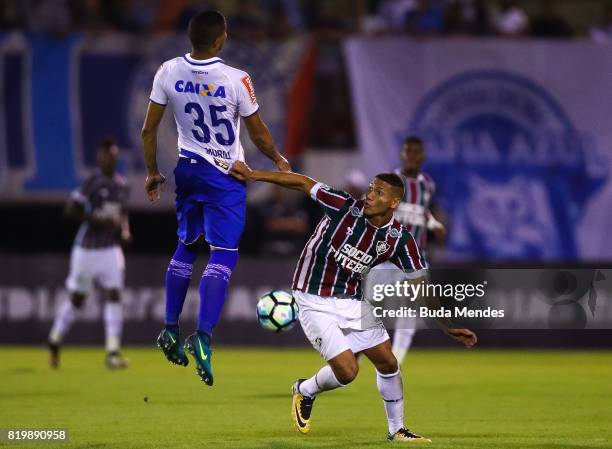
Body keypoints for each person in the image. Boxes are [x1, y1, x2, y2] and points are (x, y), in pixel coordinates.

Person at [230, 161, 477, 443]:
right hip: (312, 297)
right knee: (348, 372)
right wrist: (253, 175)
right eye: (371, 188)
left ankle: (396, 430)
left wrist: (447, 326)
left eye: (379, 192)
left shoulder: (399, 240)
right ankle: (306, 389)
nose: (370, 194)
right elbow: (302, 182)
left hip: (352, 300)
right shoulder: (343, 206)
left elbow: (419, 285)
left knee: (388, 362)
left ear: (394, 202)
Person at [141, 10, 290, 386]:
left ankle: (170, 327)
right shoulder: (237, 79)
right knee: (222, 255)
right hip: (225, 176)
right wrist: (276, 159)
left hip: (188, 170)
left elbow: (148, 130)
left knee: (186, 248)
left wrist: (152, 172)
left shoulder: (168, 71)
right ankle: (203, 336)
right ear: (221, 39)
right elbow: (257, 132)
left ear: (190, 37)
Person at [48, 139, 131, 370]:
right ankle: (54, 339)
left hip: (110, 250)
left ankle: (112, 351)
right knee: (77, 299)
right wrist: (95, 219)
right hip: (86, 250)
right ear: (99, 158)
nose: (111, 159)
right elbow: (70, 209)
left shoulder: (122, 184)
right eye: (107, 156)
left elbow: (123, 213)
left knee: (114, 294)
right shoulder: (92, 182)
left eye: (114, 156)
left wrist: (125, 231)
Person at [387, 136, 447, 365]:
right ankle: (360, 352)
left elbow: (422, 212)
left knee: (410, 308)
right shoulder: (390, 182)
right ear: (401, 154)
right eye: (407, 151)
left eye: (416, 152)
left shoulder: (427, 185)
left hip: (416, 258)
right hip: (387, 257)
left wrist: (434, 225)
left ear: (423, 156)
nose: (411, 156)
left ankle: (396, 361)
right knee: (374, 309)